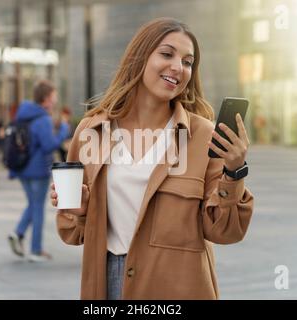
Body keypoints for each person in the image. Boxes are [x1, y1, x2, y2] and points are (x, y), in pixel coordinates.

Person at [50, 17, 254, 299]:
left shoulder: (203, 135)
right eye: (167, 54)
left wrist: (233, 172)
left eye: (187, 61)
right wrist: (82, 211)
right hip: (109, 282)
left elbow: (225, 231)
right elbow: (71, 233)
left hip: (179, 286)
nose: (178, 67)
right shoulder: (92, 131)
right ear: (140, 57)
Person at [7, 80, 71, 262]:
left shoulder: (24, 114)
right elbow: (49, 145)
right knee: (38, 208)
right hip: (38, 170)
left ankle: (18, 233)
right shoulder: (43, 118)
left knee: (33, 204)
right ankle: (35, 250)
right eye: (54, 95)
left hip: (23, 168)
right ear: (47, 98)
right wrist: (64, 130)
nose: (56, 98)